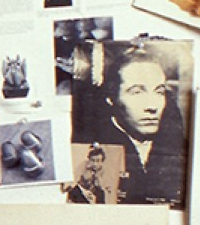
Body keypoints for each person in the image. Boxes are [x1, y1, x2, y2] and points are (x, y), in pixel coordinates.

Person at [79, 44, 187, 207]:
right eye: (137, 92)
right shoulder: (89, 149)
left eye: (159, 91)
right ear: (111, 98)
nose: (152, 106)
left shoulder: (179, 148)